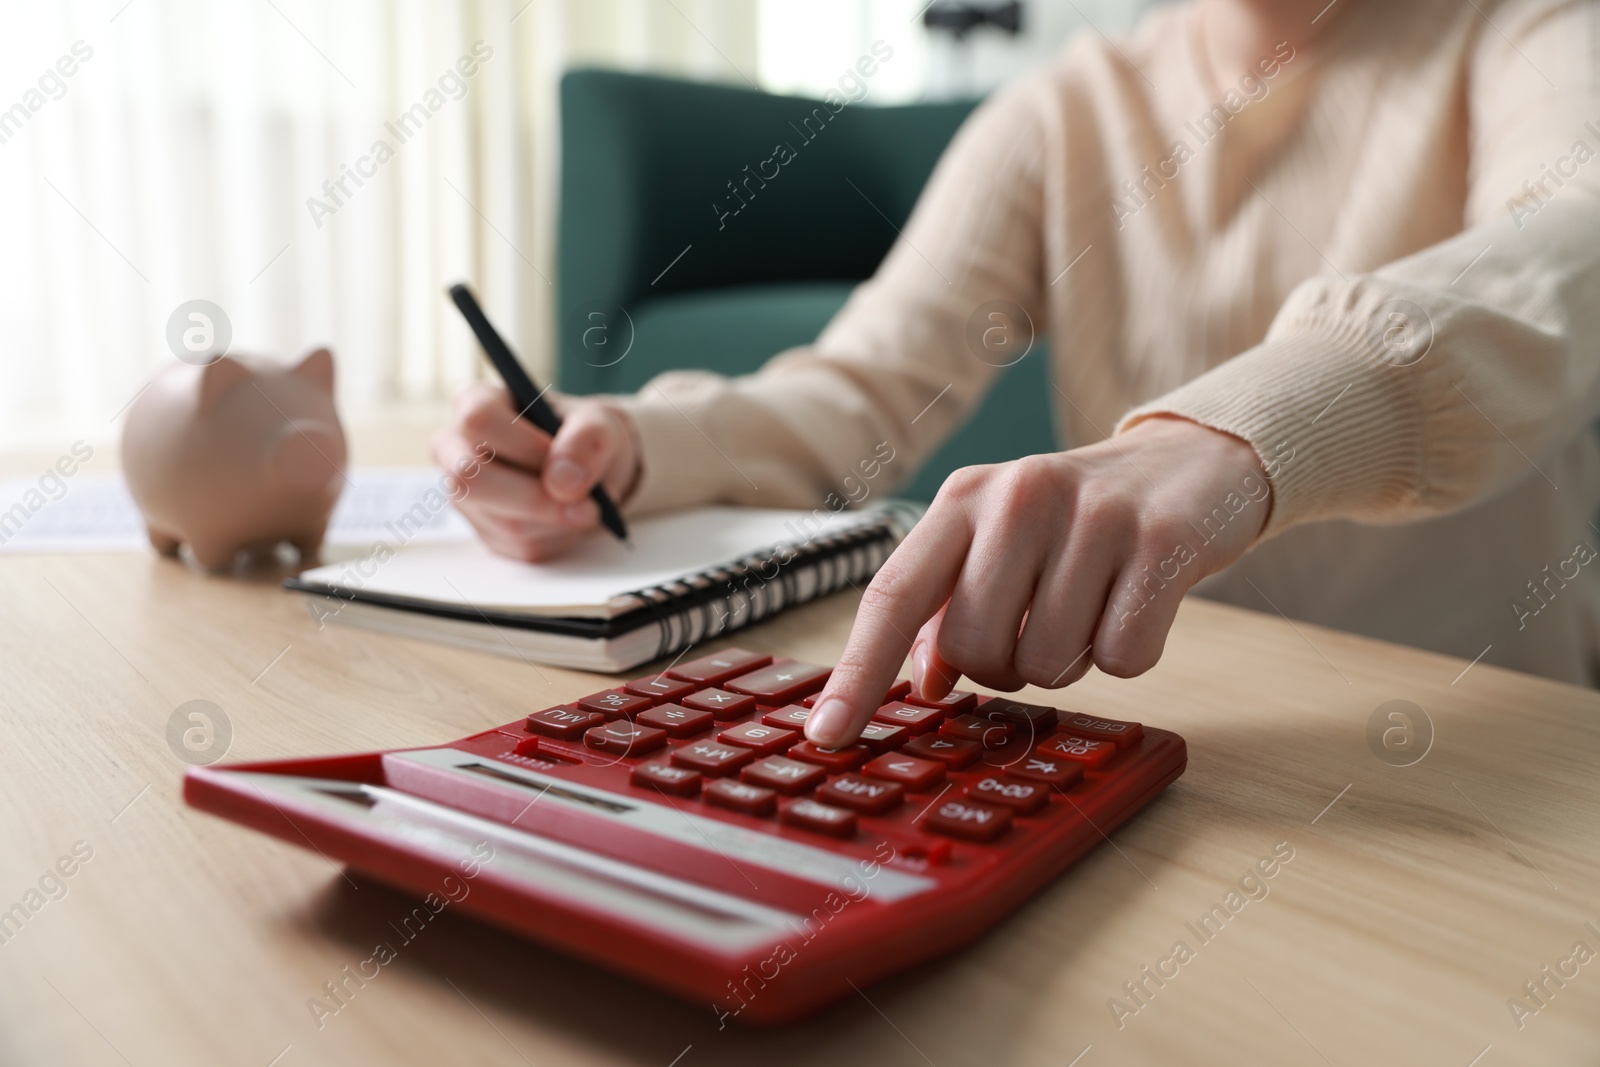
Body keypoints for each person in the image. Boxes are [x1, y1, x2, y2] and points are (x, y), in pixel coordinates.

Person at [434, 0, 1600, 749]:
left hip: (1486, 735)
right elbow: (859, 390)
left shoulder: (1528, 31)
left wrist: (1227, 437)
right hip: (1174, 738)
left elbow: (1574, 236)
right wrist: (629, 445)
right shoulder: (1063, 108)